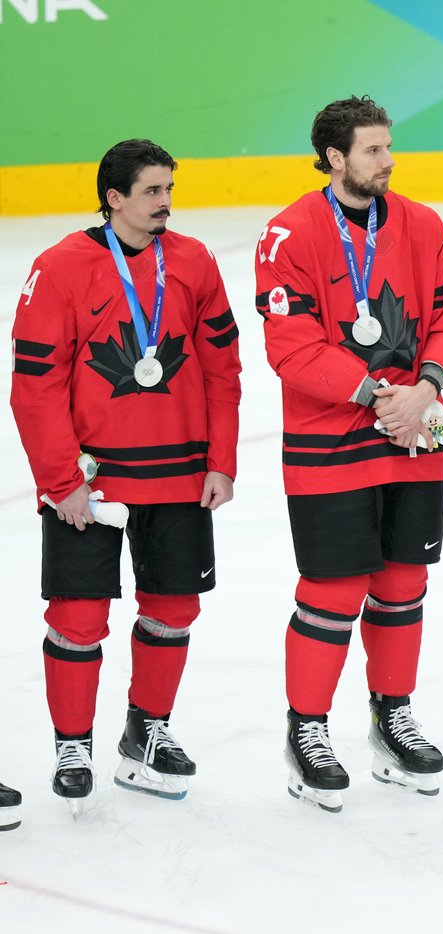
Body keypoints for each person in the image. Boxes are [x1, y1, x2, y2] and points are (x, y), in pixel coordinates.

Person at [254, 96, 443, 813]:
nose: (388, 160)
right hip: (332, 436)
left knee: (404, 580)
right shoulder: (289, 232)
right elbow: (289, 348)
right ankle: (307, 731)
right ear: (335, 158)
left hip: (416, 429)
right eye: (373, 149)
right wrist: (378, 395)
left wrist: (426, 388)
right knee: (332, 589)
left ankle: (392, 717)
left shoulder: (422, 222)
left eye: (389, 146)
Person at [10, 139, 242, 809]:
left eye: (170, 189)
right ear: (114, 197)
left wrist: (221, 460)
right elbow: (34, 386)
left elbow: (224, 370)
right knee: (78, 615)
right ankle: (72, 745)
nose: (166, 202)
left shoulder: (194, 262)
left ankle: (147, 734)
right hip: (94, 481)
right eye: (152, 191)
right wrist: (61, 481)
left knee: (174, 608)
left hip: (179, 472)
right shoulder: (59, 268)